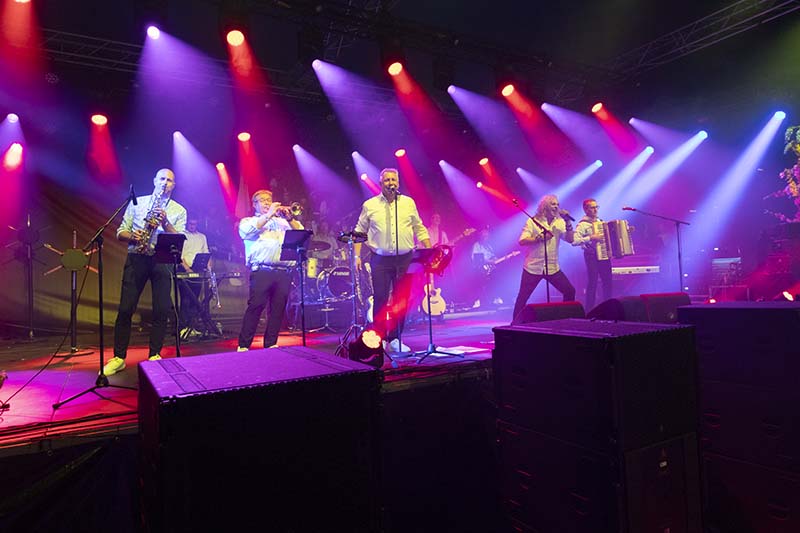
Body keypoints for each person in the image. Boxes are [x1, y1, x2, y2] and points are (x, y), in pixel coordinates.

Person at [104, 168, 187, 376]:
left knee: (161, 309)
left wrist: (165, 222)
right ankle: (119, 357)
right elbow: (120, 232)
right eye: (162, 179)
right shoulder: (137, 203)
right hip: (137, 256)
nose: (165, 183)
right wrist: (133, 236)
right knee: (125, 309)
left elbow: (179, 239)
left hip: (162, 260)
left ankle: (154, 354)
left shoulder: (179, 210)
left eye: (169, 180)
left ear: (174, 185)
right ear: (154, 180)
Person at [354, 168, 430, 354]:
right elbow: (359, 231)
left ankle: (395, 338)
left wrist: (429, 250)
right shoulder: (370, 205)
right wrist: (357, 256)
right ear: (381, 184)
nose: (391, 183)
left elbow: (418, 227)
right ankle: (379, 338)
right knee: (380, 298)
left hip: (405, 259)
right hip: (380, 259)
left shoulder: (408, 203)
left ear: (398, 182)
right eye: (387, 180)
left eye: (393, 180)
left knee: (401, 300)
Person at [237, 190, 304, 351]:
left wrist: (290, 219)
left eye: (269, 200)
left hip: (283, 271)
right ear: (254, 204)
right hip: (262, 270)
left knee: (278, 309)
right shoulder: (249, 221)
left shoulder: (283, 222)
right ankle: (244, 345)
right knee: (256, 306)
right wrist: (268, 215)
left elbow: (301, 233)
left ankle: (271, 344)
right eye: (262, 200)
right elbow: (246, 232)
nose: (267, 203)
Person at [511, 194, 576, 322]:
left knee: (569, 291)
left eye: (557, 204)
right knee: (523, 297)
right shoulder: (533, 221)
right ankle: (514, 324)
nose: (556, 207)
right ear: (544, 206)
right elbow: (522, 241)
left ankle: (565, 320)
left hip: (552, 267)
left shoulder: (560, 222)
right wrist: (539, 238)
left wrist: (568, 223)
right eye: (553, 204)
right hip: (533, 267)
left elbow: (570, 239)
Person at [572, 198, 612, 311]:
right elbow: (574, 241)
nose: (595, 210)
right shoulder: (582, 225)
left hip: (604, 255)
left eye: (596, 207)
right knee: (593, 283)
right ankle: (589, 310)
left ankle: (609, 308)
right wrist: (590, 238)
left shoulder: (600, 221)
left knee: (608, 282)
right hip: (591, 256)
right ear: (586, 209)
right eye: (592, 207)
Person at [178, 216, 211, 338]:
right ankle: (183, 327)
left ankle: (192, 326)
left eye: (194, 224)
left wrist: (208, 268)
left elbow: (206, 252)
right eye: (190, 224)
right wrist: (187, 269)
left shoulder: (202, 237)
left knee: (195, 299)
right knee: (185, 299)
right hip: (184, 269)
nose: (192, 226)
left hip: (198, 269)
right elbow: (179, 254)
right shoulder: (181, 235)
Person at [471, 227, 497, 308]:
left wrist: (496, 259)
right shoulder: (476, 245)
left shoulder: (489, 246)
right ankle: (477, 300)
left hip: (490, 268)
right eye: (483, 235)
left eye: (487, 235)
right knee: (480, 281)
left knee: (498, 276)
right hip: (480, 268)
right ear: (480, 236)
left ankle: (495, 298)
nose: (485, 237)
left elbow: (493, 256)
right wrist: (489, 261)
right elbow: (475, 258)